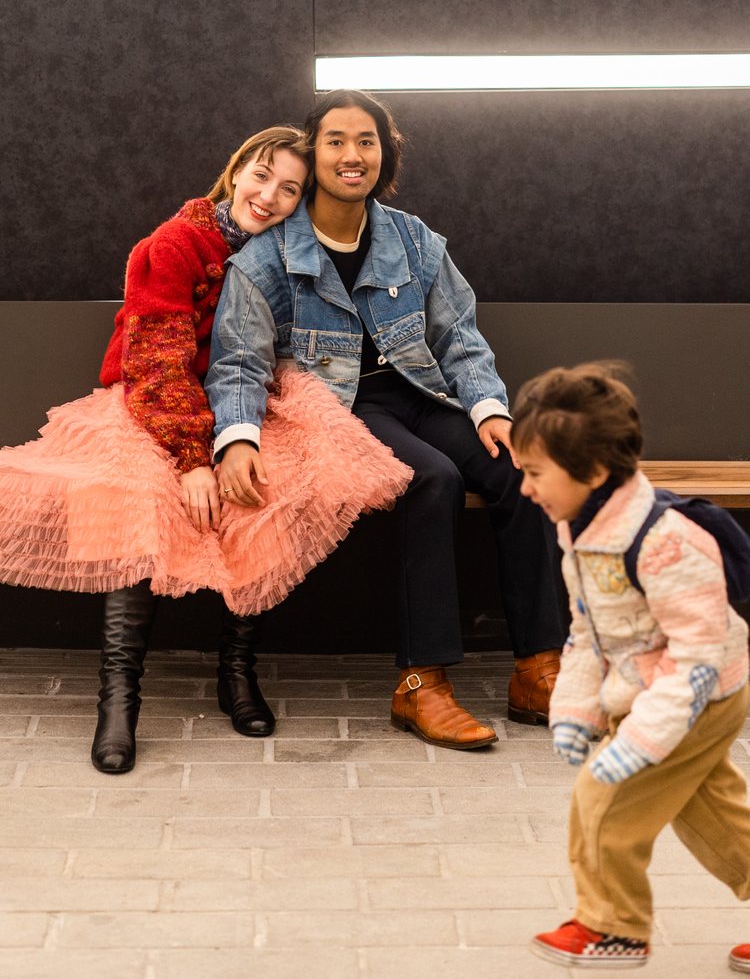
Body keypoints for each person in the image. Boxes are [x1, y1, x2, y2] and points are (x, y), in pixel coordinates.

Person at [0, 125, 411, 774]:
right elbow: (157, 359)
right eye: (261, 175)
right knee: (136, 504)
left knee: (267, 488)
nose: (269, 195)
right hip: (152, 401)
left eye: (289, 190)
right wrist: (194, 458)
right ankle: (118, 699)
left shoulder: (280, 258)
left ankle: (236, 670)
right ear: (236, 169)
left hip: (236, 400)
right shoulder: (177, 242)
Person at [206, 89, 569, 750]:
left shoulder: (414, 239)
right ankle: (419, 685)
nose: (352, 154)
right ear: (314, 154)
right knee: (428, 478)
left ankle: (538, 669)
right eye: (336, 140)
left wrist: (490, 408)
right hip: (338, 408)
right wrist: (235, 438)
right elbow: (237, 360)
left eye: (366, 140)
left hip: (419, 391)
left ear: (384, 152)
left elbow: (460, 336)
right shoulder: (264, 259)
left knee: (521, 470)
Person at [509, 362, 750, 970]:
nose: (526, 489)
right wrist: (574, 708)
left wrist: (638, 742)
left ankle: (611, 928)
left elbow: (695, 660)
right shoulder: (581, 528)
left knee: (607, 797)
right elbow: (590, 633)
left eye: (536, 473)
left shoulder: (666, 543)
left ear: (591, 472)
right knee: (711, 811)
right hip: (662, 688)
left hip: (699, 693)